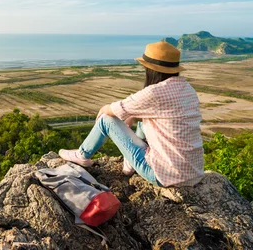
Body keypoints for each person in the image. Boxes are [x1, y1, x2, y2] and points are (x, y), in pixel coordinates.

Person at [59, 41, 204, 187]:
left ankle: (82, 155)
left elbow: (109, 110)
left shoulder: (154, 93)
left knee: (106, 120)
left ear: (150, 69)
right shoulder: (188, 89)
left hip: (164, 176)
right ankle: (129, 164)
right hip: (194, 174)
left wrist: (117, 118)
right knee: (144, 119)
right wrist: (132, 116)